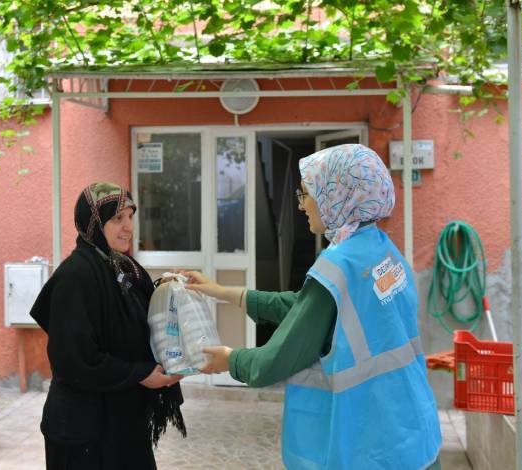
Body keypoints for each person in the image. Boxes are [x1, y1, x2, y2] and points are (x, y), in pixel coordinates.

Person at [183, 144, 442, 470]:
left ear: (337, 195)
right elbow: (312, 309)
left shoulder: (338, 264)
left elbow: (273, 360)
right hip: (411, 428)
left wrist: (228, 360)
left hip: (367, 443)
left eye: (307, 194)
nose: (302, 205)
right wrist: (224, 292)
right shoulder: (379, 248)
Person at [30, 182, 186, 470]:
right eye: (117, 218)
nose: (128, 227)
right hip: (83, 434)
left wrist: (165, 295)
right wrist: (141, 374)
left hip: (121, 423)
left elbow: (137, 324)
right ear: (93, 224)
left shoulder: (124, 269)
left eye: (130, 217)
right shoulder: (74, 278)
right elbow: (75, 361)